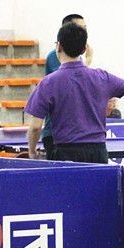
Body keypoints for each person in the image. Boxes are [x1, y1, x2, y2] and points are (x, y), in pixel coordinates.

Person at [25, 21, 124, 163]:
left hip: (66, 154)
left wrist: (32, 151)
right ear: (84, 50)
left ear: (58, 47)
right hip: (98, 153)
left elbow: (36, 127)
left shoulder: (48, 83)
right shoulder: (103, 77)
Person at [41, 14, 93, 158]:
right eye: (80, 28)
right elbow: (66, 79)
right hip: (55, 133)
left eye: (85, 29)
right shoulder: (55, 56)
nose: (84, 33)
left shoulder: (78, 58)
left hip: (75, 133)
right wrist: (88, 60)